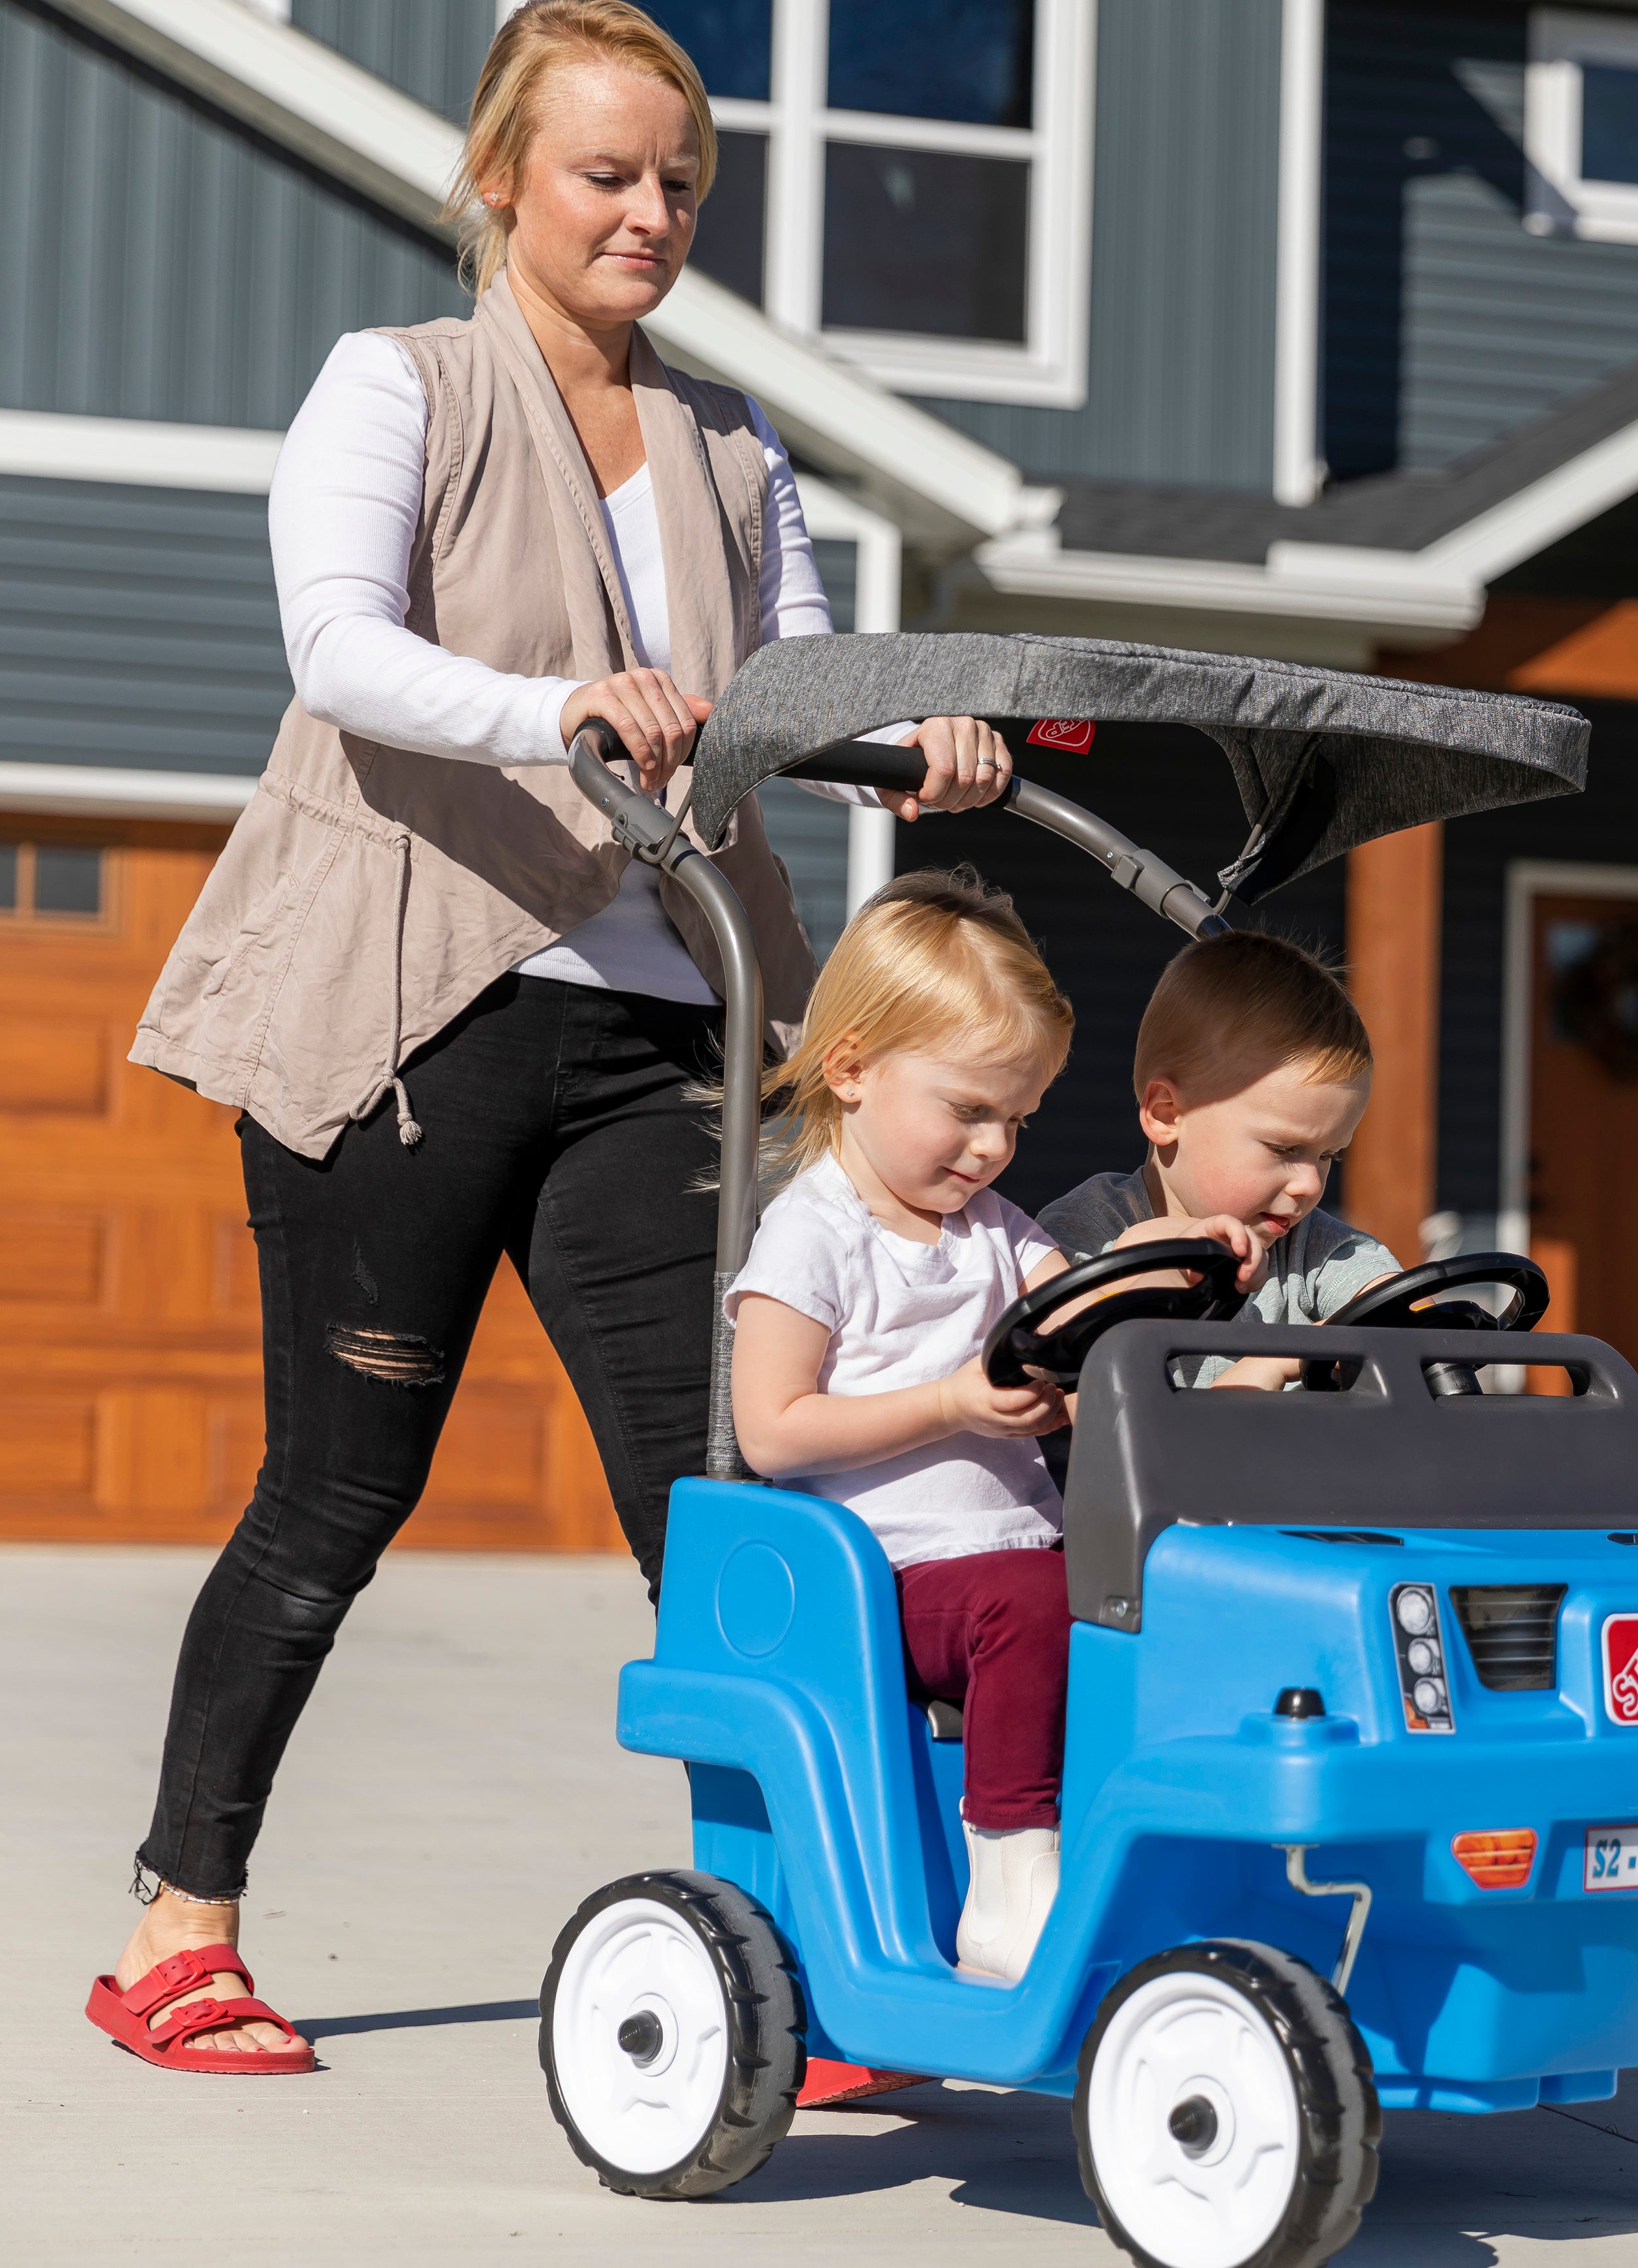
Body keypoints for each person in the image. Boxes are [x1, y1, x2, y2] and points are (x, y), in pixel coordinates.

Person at [89, 0, 1013, 2073]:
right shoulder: (396, 385)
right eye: (605, 174)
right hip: (412, 1009)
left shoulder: (731, 444)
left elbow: (786, 688)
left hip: (666, 1023)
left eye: (679, 179)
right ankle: (178, 1928)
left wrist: (918, 736)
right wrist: (558, 704)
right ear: (502, 178)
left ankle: (807, 1946)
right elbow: (339, 646)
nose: (648, 213)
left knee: (726, 1506)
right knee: (339, 1486)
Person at [725, 872, 1079, 1983]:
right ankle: (1010, 1877)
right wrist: (950, 1403)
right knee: (1035, 1604)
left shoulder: (1000, 1232)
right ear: (852, 1070)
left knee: (1148, 1594)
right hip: (882, 1582)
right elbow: (771, 1430)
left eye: (1018, 1120)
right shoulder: (813, 1235)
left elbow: (1084, 1323)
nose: (993, 1147)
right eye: (968, 1110)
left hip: (1018, 1565)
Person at [1039, 931, 1402, 1389]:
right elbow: (1091, 1401)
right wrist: (1268, 1366)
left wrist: (1388, 1317)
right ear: (1167, 1115)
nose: (1310, 1185)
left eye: (1329, 1154)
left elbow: (1399, 1311)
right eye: (1283, 1149)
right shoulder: (1085, 1235)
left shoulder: (1314, 1248)